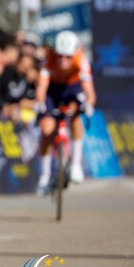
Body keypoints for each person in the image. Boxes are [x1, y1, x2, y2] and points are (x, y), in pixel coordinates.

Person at [34, 30, 96, 191]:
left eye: (67, 56)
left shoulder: (81, 61)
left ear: (74, 53)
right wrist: (40, 103)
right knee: (47, 128)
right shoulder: (48, 60)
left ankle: (75, 165)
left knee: (76, 115)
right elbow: (41, 87)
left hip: (72, 88)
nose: (63, 60)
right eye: (60, 55)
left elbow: (89, 91)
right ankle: (45, 175)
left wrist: (89, 105)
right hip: (52, 90)